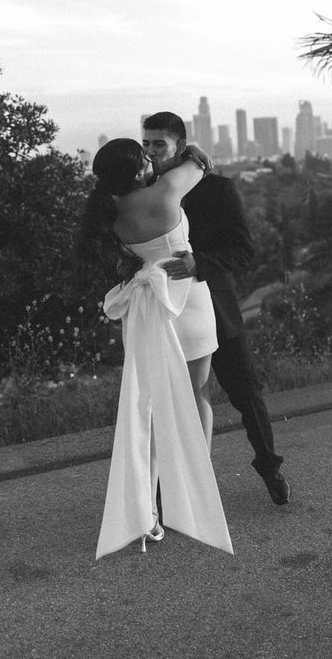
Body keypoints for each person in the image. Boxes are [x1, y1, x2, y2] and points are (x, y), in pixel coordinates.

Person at [77, 138, 233, 560]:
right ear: (137, 171)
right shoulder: (166, 192)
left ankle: (148, 514)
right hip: (187, 302)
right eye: (145, 157)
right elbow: (200, 161)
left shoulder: (111, 211)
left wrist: (150, 169)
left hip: (146, 313)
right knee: (198, 393)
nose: (152, 160)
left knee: (148, 406)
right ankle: (196, 486)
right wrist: (187, 149)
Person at [141, 112, 291, 506]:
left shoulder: (219, 189)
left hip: (216, 309)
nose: (152, 151)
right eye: (147, 143)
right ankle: (170, 487)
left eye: (159, 143)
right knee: (176, 399)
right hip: (167, 315)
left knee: (246, 393)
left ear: (180, 145)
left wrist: (199, 264)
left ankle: (270, 468)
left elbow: (243, 250)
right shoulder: (146, 189)